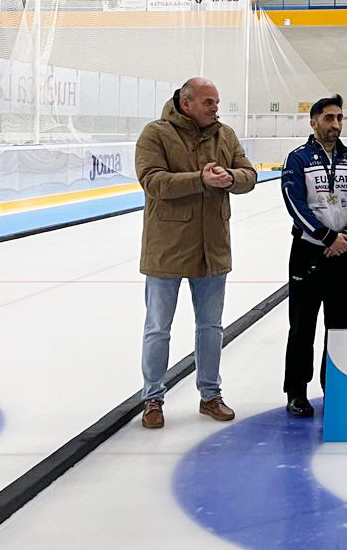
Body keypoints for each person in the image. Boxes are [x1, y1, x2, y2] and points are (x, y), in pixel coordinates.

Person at [136, 77, 256, 429]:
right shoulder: (155, 134)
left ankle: (210, 395)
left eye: (216, 101)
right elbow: (152, 181)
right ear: (186, 103)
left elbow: (248, 174)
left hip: (213, 249)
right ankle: (152, 398)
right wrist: (199, 180)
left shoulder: (225, 135)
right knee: (158, 328)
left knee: (211, 327)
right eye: (209, 102)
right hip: (166, 249)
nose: (215, 107)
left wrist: (230, 177)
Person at [280, 94, 347, 417]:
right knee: (302, 326)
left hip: (344, 255)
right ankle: (297, 391)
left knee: (339, 325)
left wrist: (346, 236)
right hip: (308, 253)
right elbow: (295, 204)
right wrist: (327, 236)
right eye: (329, 118)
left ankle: (334, 387)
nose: (335, 124)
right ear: (314, 121)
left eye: (339, 118)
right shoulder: (298, 159)